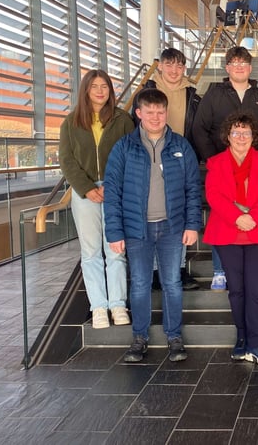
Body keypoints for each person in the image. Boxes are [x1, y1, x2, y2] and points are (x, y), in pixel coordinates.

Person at [104, 88, 201, 363]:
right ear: (139, 114)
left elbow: (193, 188)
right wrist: (114, 232)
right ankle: (139, 338)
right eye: (150, 112)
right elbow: (112, 192)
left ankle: (174, 337)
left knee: (172, 283)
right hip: (137, 229)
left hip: (172, 228)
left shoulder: (181, 146)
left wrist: (192, 225)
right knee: (140, 284)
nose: (156, 117)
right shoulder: (124, 147)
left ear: (166, 113)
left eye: (160, 112)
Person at [192, 46, 258, 291]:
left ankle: (249, 268)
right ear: (227, 67)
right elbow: (200, 129)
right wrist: (213, 161)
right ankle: (220, 270)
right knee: (224, 215)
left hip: (256, 171)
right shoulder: (214, 94)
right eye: (234, 62)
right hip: (223, 169)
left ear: (250, 68)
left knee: (252, 215)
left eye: (244, 63)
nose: (239, 67)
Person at [204, 112, 258, 367]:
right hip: (228, 232)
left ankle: (256, 344)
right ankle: (241, 338)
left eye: (245, 133)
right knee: (236, 290)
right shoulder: (216, 163)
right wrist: (238, 217)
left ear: (253, 137)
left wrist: (253, 218)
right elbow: (213, 194)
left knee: (257, 291)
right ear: (228, 136)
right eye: (236, 132)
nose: (240, 137)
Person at [59, 69, 134, 330]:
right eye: (95, 87)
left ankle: (118, 304)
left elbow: (131, 155)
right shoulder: (71, 122)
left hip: (116, 191)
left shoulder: (122, 119)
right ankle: (99, 307)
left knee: (115, 249)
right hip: (85, 193)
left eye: (105, 86)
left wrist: (115, 187)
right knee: (91, 252)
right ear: (86, 91)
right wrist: (87, 188)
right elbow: (66, 160)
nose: (100, 91)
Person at [134, 47, 201, 291]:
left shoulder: (192, 94)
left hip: (179, 159)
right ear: (159, 66)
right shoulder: (145, 92)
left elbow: (198, 129)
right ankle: (153, 272)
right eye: (169, 65)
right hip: (149, 157)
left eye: (179, 66)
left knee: (178, 213)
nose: (174, 70)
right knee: (151, 214)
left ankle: (179, 269)